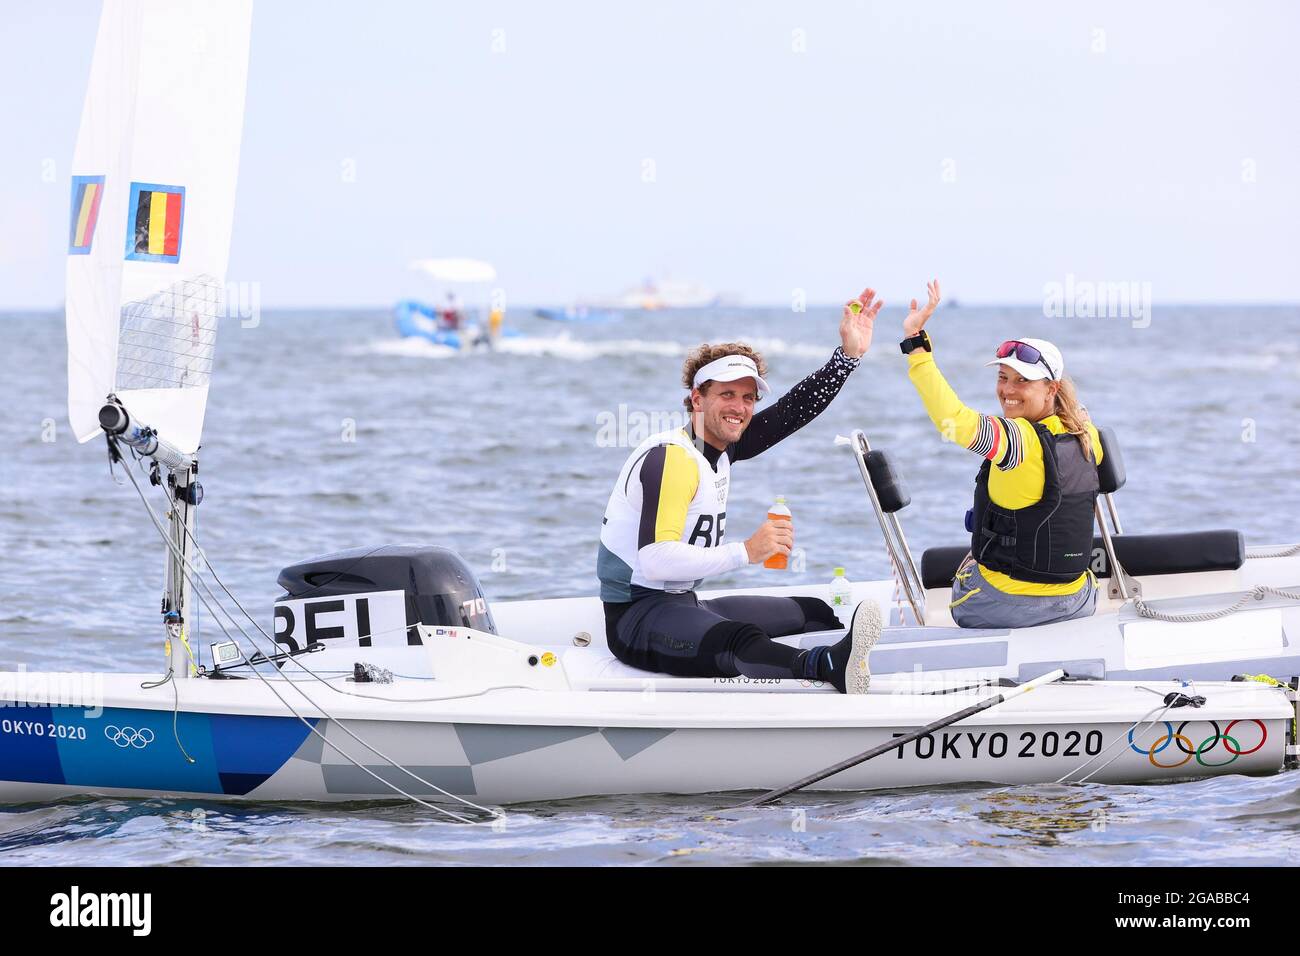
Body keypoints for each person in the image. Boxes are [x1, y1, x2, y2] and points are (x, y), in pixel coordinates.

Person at [596, 289, 886, 694]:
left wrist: (847, 357)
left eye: (748, 397)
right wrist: (747, 552)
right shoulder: (672, 460)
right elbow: (656, 560)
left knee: (812, 612)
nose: (740, 407)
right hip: (636, 620)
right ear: (697, 399)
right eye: (727, 394)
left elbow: (792, 412)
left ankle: (867, 659)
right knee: (737, 640)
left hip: (683, 603)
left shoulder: (722, 447)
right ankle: (828, 666)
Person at [899, 280, 1103, 628]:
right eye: (1003, 377)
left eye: (1021, 381)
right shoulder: (1086, 433)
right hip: (1077, 599)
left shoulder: (1017, 441)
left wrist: (916, 346)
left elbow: (953, 420)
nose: (1007, 390)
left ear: (1051, 388)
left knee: (968, 571)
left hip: (1008, 605)